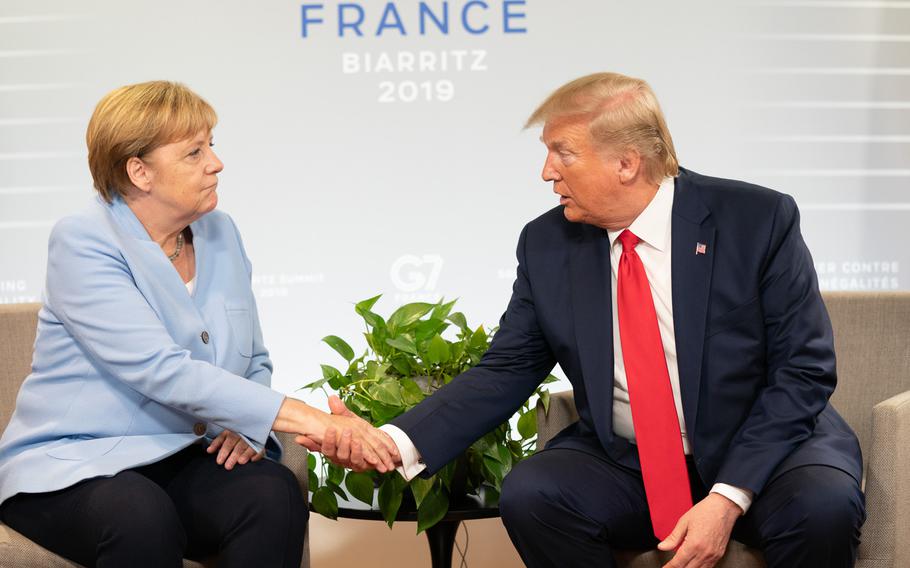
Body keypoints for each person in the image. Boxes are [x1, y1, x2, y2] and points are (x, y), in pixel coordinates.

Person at [315, 72, 865, 568]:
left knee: (823, 508)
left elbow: (803, 371)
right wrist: (394, 441)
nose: (546, 171)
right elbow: (505, 370)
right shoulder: (547, 242)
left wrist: (726, 497)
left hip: (767, 453)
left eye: (563, 153)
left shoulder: (756, 220)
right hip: (630, 464)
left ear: (627, 163)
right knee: (534, 494)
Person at [0, 81, 397, 568]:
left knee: (271, 493)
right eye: (194, 152)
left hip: (180, 455)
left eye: (212, 144)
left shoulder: (221, 232)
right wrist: (308, 418)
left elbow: (254, 358)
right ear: (139, 171)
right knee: (141, 516)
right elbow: (163, 370)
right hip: (72, 465)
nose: (216, 162)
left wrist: (247, 427)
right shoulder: (84, 241)